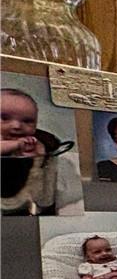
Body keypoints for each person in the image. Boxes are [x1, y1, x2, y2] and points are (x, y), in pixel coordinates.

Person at [1, 87, 84, 216]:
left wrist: (35, 151)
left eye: (27, 121)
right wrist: (15, 144)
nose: (17, 126)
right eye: (4, 118)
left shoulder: (34, 140)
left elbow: (43, 152)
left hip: (31, 197)